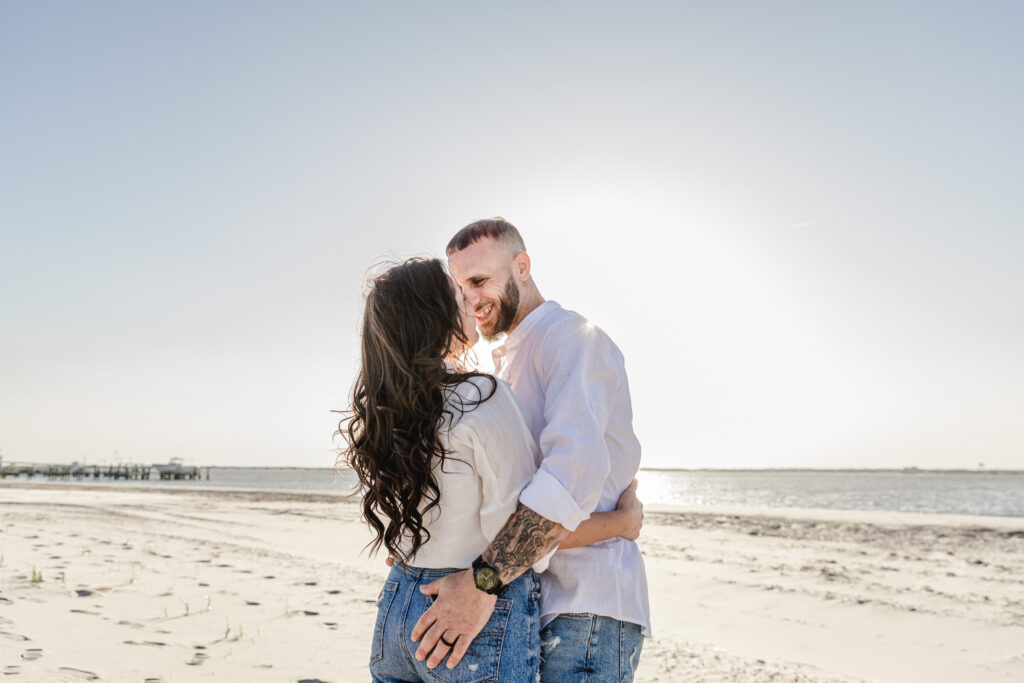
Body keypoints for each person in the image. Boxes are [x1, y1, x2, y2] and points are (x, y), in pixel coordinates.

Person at [339, 258, 643, 682]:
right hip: (467, 618)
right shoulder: (481, 396)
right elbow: (522, 530)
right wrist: (621, 523)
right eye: (458, 295)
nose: (470, 301)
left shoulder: (388, 416)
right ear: (435, 316)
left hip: (397, 608)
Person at [410, 219, 650, 682]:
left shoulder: (571, 339)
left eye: (480, 280)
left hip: (584, 606)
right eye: (461, 288)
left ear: (522, 267)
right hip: (530, 600)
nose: (471, 299)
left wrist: (480, 584)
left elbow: (567, 485)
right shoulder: (506, 360)